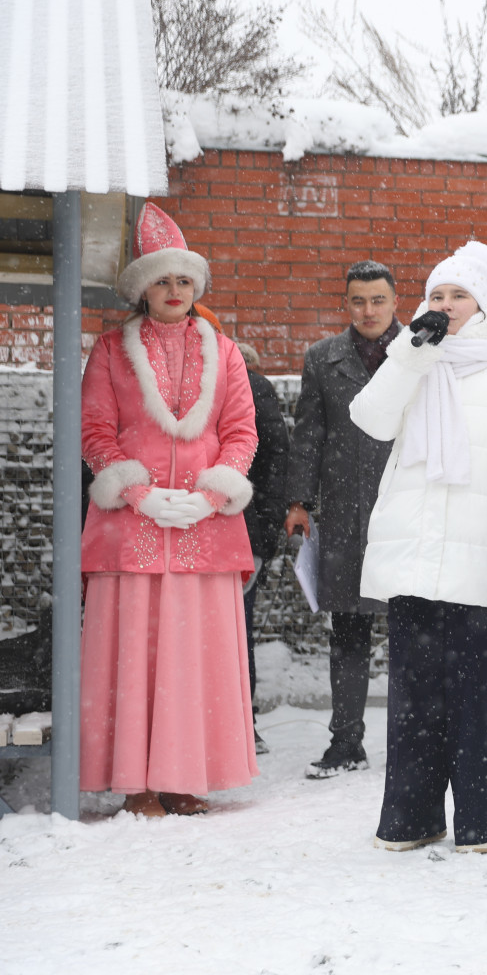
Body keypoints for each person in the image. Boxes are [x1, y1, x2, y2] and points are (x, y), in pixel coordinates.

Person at [350, 240, 487, 855]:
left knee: (475, 697)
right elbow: (371, 418)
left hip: (477, 553)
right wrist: (411, 354)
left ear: (485, 306)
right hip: (413, 550)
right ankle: (412, 817)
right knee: (414, 697)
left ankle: (476, 820)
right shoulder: (411, 365)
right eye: (436, 295)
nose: (445, 304)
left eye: (458, 296)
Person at [79, 203, 259, 817]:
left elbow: (241, 432)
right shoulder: (108, 350)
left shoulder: (227, 352)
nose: (175, 291)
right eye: (163, 280)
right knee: (137, 649)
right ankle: (136, 781)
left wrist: (211, 495)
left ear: (197, 288)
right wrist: (139, 492)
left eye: (184, 280)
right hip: (132, 527)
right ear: (142, 288)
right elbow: (96, 431)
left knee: (193, 654)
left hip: (204, 529)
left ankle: (185, 777)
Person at [285, 261, 401, 779]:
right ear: (345, 304)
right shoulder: (323, 359)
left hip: (406, 513)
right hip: (344, 511)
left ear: (395, 302)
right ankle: (346, 743)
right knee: (348, 633)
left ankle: (411, 739)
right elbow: (308, 437)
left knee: (412, 633)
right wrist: (298, 501)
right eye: (358, 301)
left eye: (377, 300)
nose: (368, 311)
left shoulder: (420, 354)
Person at [237, 341, 289, 755]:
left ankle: (238, 722)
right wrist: (267, 527)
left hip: (241, 527)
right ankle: (242, 723)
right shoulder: (259, 390)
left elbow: (274, 456)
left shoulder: (249, 389)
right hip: (247, 527)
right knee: (239, 629)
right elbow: (277, 459)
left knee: (234, 627)